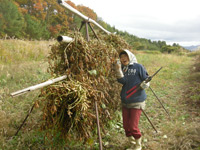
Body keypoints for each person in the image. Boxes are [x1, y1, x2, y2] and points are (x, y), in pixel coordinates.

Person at [115, 49, 150, 150]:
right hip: (126, 101)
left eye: (125, 56)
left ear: (130, 56)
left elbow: (146, 78)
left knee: (133, 127)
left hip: (137, 100)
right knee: (126, 127)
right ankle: (132, 143)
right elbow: (123, 81)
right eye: (121, 57)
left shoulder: (138, 66)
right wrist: (118, 70)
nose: (123, 59)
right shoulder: (123, 68)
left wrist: (145, 84)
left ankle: (138, 146)